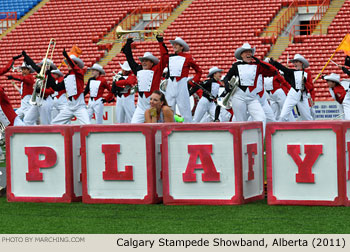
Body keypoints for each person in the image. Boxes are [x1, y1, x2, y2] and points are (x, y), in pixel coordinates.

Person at [223, 43, 277, 131]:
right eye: (245, 52)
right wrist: (226, 85)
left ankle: (259, 141)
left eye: (250, 52)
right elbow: (227, 77)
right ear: (241, 55)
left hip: (252, 97)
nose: (248, 54)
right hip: (239, 96)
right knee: (241, 122)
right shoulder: (236, 66)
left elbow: (273, 71)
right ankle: (240, 143)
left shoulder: (257, 65)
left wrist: (259, 61)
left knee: (261, 118)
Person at [122, 36, 168, 123]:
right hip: (140, 106)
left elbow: (164, 57)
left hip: (152, 105)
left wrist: (160, 42)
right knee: (134, 125)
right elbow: (130, 59)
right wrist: (128, 44)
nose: (143, 62)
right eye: (143, 60)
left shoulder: (157, 70)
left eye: (146, 60)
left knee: (154, 127)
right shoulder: (139, 69)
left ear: (152, 63)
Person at [46, 49, 90, 124]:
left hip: (79, 106)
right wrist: (49, 74)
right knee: (54, 123)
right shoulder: (67, 77)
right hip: (69, 106)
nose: (68, 64)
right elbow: (57, 88)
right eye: (68, 63)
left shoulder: (79, 73)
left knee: (87, 125)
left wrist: (66, 56)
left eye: (70, 63)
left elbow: (75, 68)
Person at [164, 37, 202, 122]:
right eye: (174, 44)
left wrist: (193, 82)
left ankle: (188, 130)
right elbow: (163, 56)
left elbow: (199, 71)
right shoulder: (170, 57)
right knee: (168, 110)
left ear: (182, 47)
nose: (174, 46)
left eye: (176, 44)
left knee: (185, 110)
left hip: (182, 84)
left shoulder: (188, 57)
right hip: (171, 84)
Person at [269, 54, 314, 121]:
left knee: (307, 117)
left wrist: (305, 82)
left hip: (303, 96)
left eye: (296, 62)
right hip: (293, 94)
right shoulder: (292, 72)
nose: (294, 64)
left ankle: (312, 130)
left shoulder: (308, 73)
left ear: (301, 63)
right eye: (294, 62)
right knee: (283, 115)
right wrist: (275, 63)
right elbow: (283, 69)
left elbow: (310, 87)